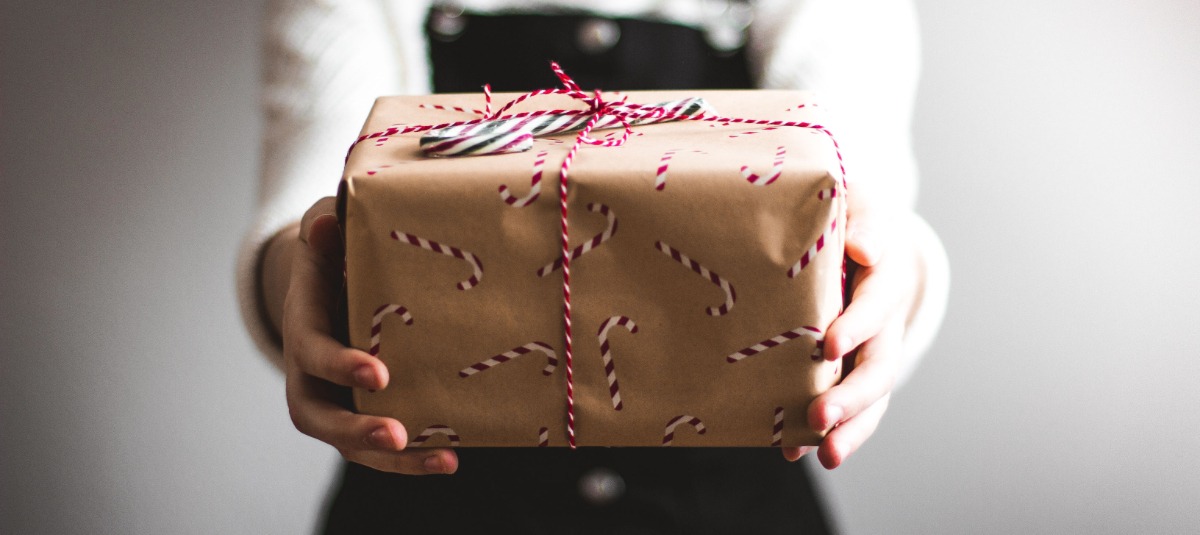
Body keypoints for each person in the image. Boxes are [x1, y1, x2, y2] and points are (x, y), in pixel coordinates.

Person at [237, 0, 949, 532]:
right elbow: (313, 194)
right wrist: (302, 281)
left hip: (735, 506)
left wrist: (894, 275)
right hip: (426, 500)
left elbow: (860, 193)